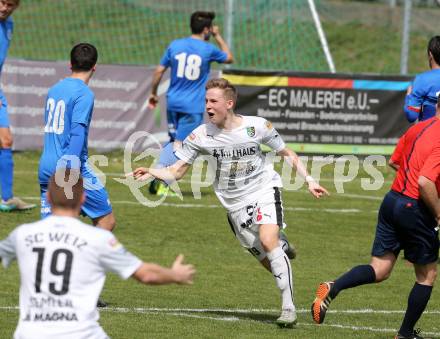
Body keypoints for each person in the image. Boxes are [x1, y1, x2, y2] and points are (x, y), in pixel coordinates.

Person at [131, 78, 329, 327]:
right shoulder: (201, 135)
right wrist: (152, 172)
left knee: (269, 241)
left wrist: (309, 180)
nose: (207, 107)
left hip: (264, 190)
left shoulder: (257, 127)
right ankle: (281, 248)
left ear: (229, 103)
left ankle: (288, 307)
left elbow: (285, 152)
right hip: (234, 206)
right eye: (206, 101)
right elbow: (177, 171)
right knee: (269, 259)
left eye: (213, 101)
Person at [0, 169, 195, 339]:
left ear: (48, 198)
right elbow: (147, 274)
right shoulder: (98, 239)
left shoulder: (23, 234)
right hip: (81, 333)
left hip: (29, 334)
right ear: (83, 198)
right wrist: (175, 275)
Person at [311, 97, 440, 339]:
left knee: (379, 269)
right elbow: (425, 182)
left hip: (392, 201)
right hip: (416, 208)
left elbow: (395, 161)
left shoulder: (418, 127)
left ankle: (333, 287)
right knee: (427, 275)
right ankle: (404, 334)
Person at [148, 11, 233, 196]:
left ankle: (158, 178)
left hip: (172, 102)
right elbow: (229, 57)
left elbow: (158, 71)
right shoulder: (207, 49)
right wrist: (218, 36)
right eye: (211, 29)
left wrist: (153, 93)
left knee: (173, 141)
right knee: (183, 146)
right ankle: (161, 181)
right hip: (191, 106)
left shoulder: (175, 45)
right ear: (206, 29)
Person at [38, 43, 116, 232]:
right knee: (106, 221)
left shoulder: (54, 89)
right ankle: (85, 259)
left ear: (70, 64)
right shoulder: (84, 93)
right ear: (95, 67)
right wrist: (70, 168)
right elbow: (77, 132)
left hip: (46, 166)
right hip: (71, 167)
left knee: (52, 230)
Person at [0, 0, 36, 212]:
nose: (5, 8)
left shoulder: (9, 25)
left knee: (6, 141)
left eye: (10, 5)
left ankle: (7, 198)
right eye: (2, 2)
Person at [404, 35, 440, 123]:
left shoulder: (422, 80)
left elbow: (411, 116)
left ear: (430, 55)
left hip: (430, 134)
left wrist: (408, 96)